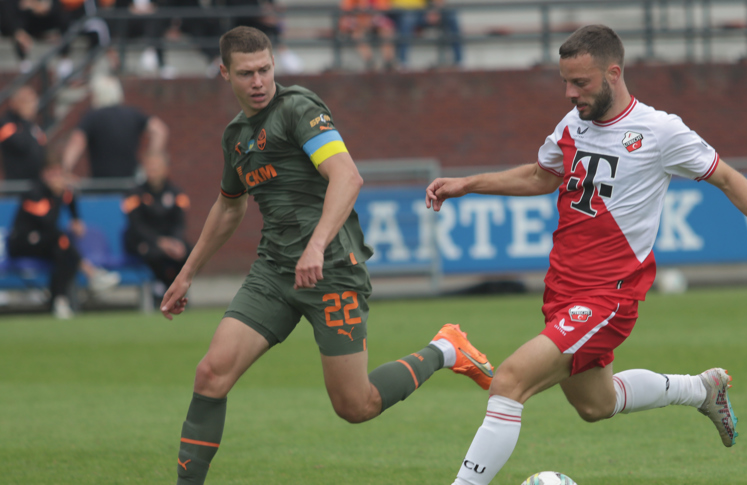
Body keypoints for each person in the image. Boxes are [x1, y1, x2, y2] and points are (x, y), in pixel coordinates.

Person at [424, 24, 747, 485]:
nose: (571, 93)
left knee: (510, 382)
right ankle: (700, 389)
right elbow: (539, 176)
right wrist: (468, 184)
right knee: (595, 405)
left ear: (613, 73)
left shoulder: (660, 131)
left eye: (581, 83)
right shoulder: (572, 124)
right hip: (563, 290)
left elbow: (725, 176)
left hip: (608, 296)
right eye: (566, 82)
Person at [158, 26, 494, 485]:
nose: (258, 81)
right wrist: (188, 273)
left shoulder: (298, 109)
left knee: (356, 406)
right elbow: (229, 207)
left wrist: (316, 244)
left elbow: (348, 177)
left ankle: (445, 348)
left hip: (331, 268)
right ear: (224, 73)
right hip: (274, 271)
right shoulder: (236, 136)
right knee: (211, 374)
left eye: (265, 70)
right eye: (246, 73)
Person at [6, 162, 121, 318]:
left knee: (63, 252)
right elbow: (48, 222)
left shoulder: (60, 193)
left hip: (46, 242)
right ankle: (91, 273)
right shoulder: (34, 193)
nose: (60, 179)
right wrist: (58, 195)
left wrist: (76, 219)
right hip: (21, 243)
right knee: (59, 237)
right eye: (56, 175)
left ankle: (59, 301)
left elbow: (70, 198)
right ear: (46, 174)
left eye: (61, 175)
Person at [61, 75, 169, 179]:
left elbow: (77, 140)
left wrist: (65, 171)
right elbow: (159, 130)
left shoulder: (92, 116)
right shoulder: (133, 114)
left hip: (100, 185)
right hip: (131, 183)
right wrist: (149, 163)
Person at [122, 151, 191, 300]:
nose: (152, 172)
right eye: (149, 167)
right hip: (142, 241)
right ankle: (161, 288)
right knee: (153, 253)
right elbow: (136, 225)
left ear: (166, 169)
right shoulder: (134, 194)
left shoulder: (176, 193)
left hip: (170, 240)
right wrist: (161, 242)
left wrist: (175, 241)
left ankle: (179, 288)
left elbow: (180, 222)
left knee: (188, 251)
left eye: (156, 168)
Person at [388, 0, 461, 68]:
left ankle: (458, 62)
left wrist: (434, 11)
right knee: (407, 20)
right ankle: (402, 62)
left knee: (451, 17)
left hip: (422, 11)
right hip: (399, 11)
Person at [0, 85, 47, 181]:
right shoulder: (6, 123)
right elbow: (20, 144)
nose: (32, 105)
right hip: (16, 186)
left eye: (33, 101)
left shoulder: (35, 127)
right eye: (26, 101)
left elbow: (42, 150)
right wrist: (26, 120)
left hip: (35, 185)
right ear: (15, 103)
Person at [339, 0, 396, 71]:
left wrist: (371, 15)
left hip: (375, 17)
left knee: (387, 30)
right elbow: (346, 8)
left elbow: (385, 7)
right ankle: (370, 63)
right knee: (357, 35)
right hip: (358, 20)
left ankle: (388, 63)